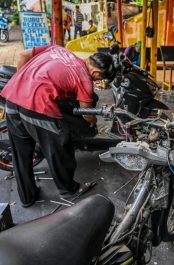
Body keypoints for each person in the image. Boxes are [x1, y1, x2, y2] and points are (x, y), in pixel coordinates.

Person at [1, 45, 114, 208]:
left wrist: (23, 83)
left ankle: (27, 197)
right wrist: (93, 122)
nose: (96, 82)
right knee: (61, 144)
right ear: (96, 72)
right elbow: (86, 112)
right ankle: (69, 189)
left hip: (13, 97)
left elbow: (22, 55)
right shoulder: (85, 78)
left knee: (21, 155)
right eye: (99, 79)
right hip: (36, 105)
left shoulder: (58, 49)